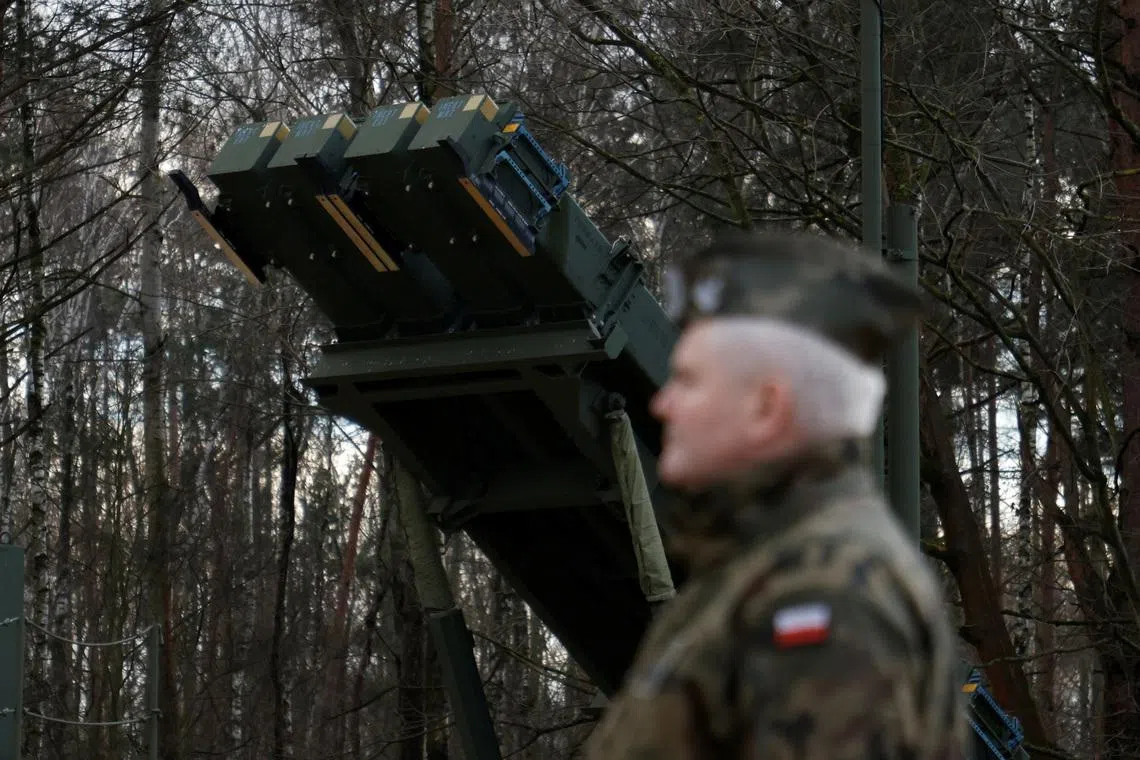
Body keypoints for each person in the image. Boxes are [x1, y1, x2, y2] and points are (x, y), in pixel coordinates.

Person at [583, 229, 966, 760]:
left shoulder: (825, 594)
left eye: (689, 381)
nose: (664, 403)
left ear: (767, 408)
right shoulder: (757, 568)